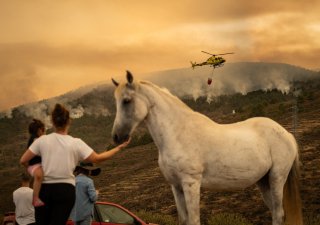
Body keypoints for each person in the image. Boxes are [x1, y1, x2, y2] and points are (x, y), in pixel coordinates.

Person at [20, 103, 130, 225]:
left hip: (45, 189)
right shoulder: (76, 143)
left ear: (52, 121)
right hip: (66, 190)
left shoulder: (42, 140)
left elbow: (23, 160)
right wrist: (119, 147)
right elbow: (98, 158)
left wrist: (35, 171)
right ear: (69, 121)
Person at [27, 119, 45, 207]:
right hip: (37, 166)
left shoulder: (32, 139)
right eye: (43, 130)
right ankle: (36, 199)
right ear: (39, 130)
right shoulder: (36, 140)